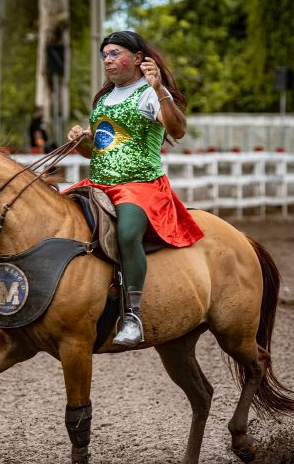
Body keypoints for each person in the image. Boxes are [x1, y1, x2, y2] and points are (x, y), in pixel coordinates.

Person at [67, 30, 204, 346]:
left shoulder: (148, 93)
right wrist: (81, 142)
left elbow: (178, 130)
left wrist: (161, 92)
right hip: (99, 182)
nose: (108, 60)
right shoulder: (103, 99)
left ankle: (133, 317)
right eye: (105, 55)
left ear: (139, 58)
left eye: (115, 53)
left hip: (139, 185)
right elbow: (97, 150)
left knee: (128, 233)